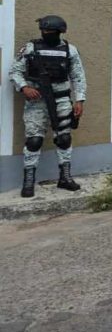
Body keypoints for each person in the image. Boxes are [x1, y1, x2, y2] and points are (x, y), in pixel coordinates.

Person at [9, 15, 86, 198]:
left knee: (64, 138)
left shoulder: (70, 50)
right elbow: (15, 72)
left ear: (59, 32)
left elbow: (78, 76)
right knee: (34, 141)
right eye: (43, 31)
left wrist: (80, 100)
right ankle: (28, 181)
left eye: (49, 31)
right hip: (36, 101)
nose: (45, 33)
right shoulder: (30, 48)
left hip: (61, 100)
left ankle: (64, 177)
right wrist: (24, 87)